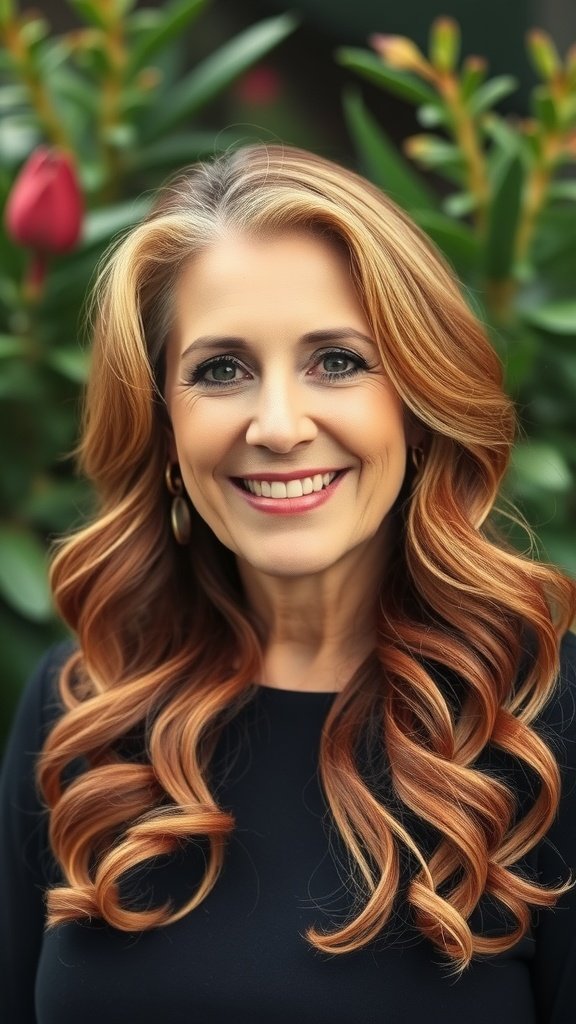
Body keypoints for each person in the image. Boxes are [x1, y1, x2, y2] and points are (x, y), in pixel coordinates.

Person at [1, 143, 575, 1024]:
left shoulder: (545, 721)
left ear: (419, 406)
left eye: (337, 361)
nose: (276, 426)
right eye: (220, 369)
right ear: (162, 426)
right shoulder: (80, 708)